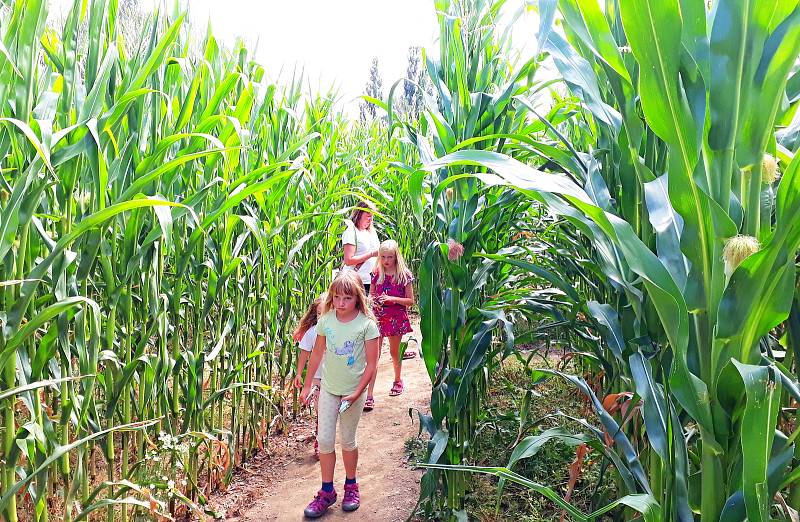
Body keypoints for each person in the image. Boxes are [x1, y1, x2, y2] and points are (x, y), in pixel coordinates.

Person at [299, 271, 380, 518]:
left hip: (352, 394)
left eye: (347, 298)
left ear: (357, 298)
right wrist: (306, 385)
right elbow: (317, 353)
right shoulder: (326, 321)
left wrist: (357, 394)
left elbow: (372, 364)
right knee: (324, 441)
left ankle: (351, 485)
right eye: (337, 297)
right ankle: (326, 491)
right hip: (329, 391)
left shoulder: (366, 326)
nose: (341, 303)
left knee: (347, 441)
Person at [365, 240, 415, 411]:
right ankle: (369, 394)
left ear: (396, 257)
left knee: (395, 352)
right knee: (374, 357)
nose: (386, 261)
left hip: (395, 317)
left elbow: (410, 302)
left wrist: (392, 299)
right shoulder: (376, 273)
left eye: (390, 257)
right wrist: (373, 301)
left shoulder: (404, 275)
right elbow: (370, 295)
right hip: (377, 317)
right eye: (383, 257)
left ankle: (398, 379)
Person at [293, 294, 326, 459]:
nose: (321, 317)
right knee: (321, 412)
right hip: (318, 378)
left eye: (325, 313)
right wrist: (299, 373)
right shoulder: (312, 332)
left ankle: (326, 438)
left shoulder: (339, 331)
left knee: (332, 412)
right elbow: (304, 353)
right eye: (319, 314)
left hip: (337, 378)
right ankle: (320, 441)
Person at [341, 200, 380, 295]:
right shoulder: (351, 232)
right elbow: (348, 260)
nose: (370, 220)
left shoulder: (371, 232)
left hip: (372, 280)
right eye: (368, 216)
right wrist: (371, 254)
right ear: (358, 215)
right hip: (357, 280)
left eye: (372, 216)